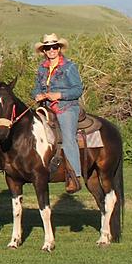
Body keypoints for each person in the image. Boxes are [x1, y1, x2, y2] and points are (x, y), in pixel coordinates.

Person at [32, 33, 84, 194]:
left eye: (54, 47)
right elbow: (36, 88)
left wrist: (59, 95)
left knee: (68, 137)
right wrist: (37, 95)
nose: (52, 50)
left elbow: (78, 89)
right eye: (48, 48)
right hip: (46, 107)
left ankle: (75, 176)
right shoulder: (42, 68)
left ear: (59, 48)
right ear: (44, 51)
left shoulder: (69, 66)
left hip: (66, 107)